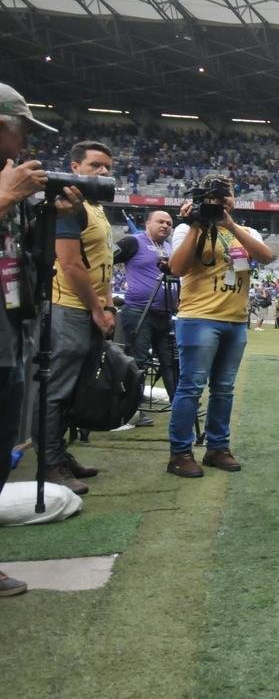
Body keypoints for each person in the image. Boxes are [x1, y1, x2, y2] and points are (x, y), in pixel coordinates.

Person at [0, 84, 65, 595]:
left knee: (2, 444)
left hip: (11, 329)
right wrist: (6, 196)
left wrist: (48, 212)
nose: (24, 142)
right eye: (19, 129)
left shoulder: (13, 179)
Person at [166, 175, 274, 478]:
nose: (222, 199)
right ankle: (180, 453)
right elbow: (177, 268)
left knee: (224, 389)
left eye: (227, 193)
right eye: (214, 195)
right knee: (191, 387)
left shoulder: (246, 231)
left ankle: (217, 448)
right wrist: (196, 224)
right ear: (203, 197)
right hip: (198, 317)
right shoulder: (187, 228)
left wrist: (230, 225)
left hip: (235, 320)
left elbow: (267, 257)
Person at [37, 140, 116, 495]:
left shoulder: (94, 206)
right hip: (69, 307)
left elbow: (103, 265)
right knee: (57, 390)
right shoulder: (69, 206)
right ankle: (49, 463)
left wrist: (108, 305)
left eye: (107, 166)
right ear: (74, 168)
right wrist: (98, 309)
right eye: (95, 165)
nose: (103, 171)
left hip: (89, 308)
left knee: (73, 390)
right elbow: (69, 264)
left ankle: (61, 455)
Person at [114, 209, 177, 425]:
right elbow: (105, 260)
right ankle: (130, 412)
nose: (165, 225)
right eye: (160, 221)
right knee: (138, 362)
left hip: (165, 314)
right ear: (147, 223)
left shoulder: (169, 247)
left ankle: (180, 408)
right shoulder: (133, 242)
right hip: (139, 311)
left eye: (169, 223)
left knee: (170, 362)